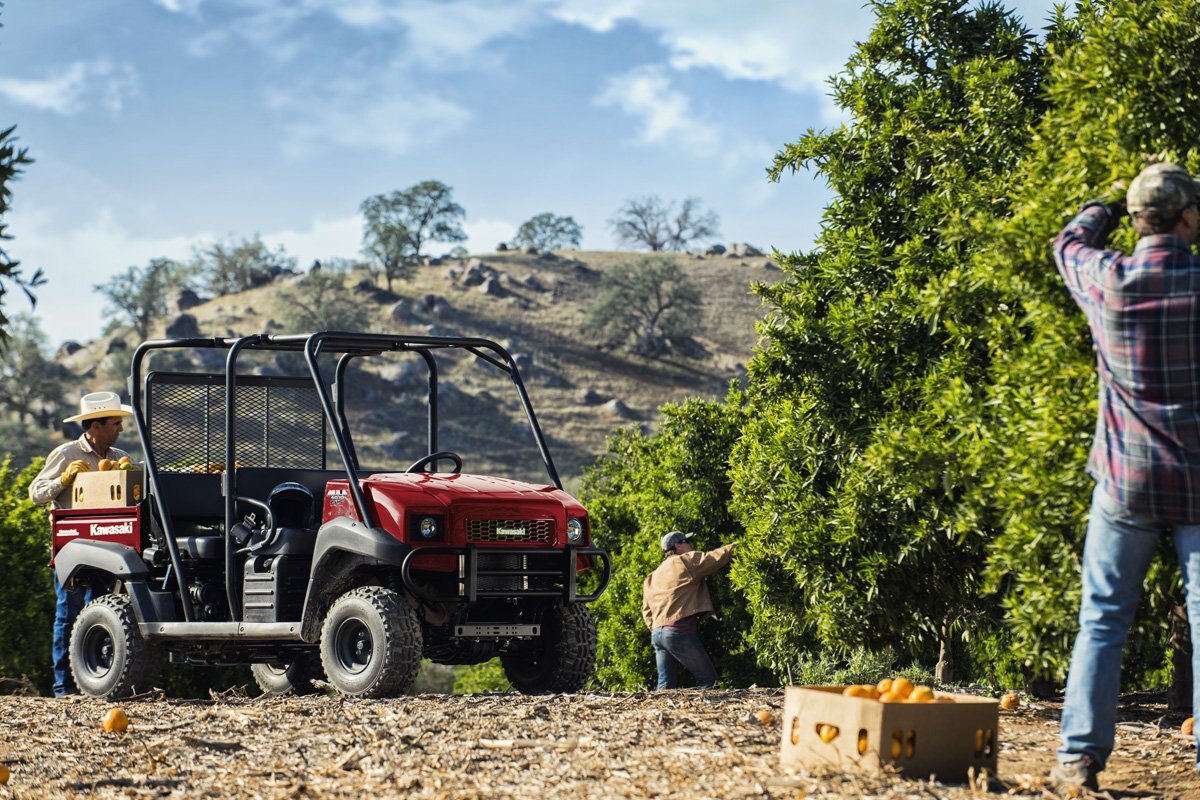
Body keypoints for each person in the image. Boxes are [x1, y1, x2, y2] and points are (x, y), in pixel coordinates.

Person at [1051, 162, 1200, 791]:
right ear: (1190, 216)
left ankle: (1079, 757)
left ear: (1140, 220)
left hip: (1125, 481)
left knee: (1104, 617)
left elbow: (1066, 243)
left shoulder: (1107, 279)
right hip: (1198, 481)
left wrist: (1103, 206)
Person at [28, 391, 134, 697]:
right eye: (115, 423)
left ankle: (94, 682)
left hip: (108, 548)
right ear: (95, 426)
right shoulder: (67, 454)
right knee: (68, 612)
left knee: (101, 612)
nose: (120, 429)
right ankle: (64, 688)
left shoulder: (117, 458)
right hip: (72, 549)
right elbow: (36, 493)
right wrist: (63, 481)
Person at [641, 531, 735, 690]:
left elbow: (646, 612)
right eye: (687, 542)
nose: (691, 546)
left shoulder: (652, 576)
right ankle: (708, 715)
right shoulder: (685, 561)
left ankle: (659, 715)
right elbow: (714, 558)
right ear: (678, 546)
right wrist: (737, 546)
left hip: (657, 634)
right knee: (709, 681)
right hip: (678, 631)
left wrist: (660, 629)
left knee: (665, 687)